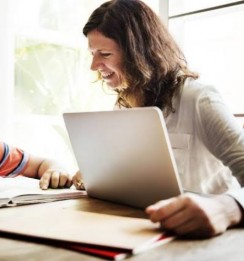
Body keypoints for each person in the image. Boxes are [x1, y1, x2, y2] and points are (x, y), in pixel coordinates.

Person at [72, 0, 244, 237]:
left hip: (206, 240)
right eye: (92, 53)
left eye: (105, 53)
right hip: (144, 231)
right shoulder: (123, 106)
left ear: (139, 53)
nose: (94, 65)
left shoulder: (199, 98)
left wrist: (228, 208)